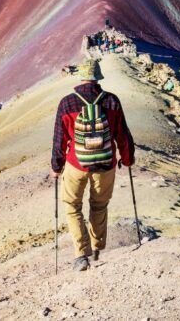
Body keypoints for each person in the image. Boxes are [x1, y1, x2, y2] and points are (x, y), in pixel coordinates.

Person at [51, 58, 134, 271]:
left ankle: (81, 255)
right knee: (99, 206)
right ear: (98, 77)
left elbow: (59, 139)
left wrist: (56, 166)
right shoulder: (112, 101)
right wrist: (127, 159)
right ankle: (97, 248)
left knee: (72, 206)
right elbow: (122, 135)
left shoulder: (67, 103)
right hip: (106, 165)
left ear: (81, 77)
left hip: (76, 165)